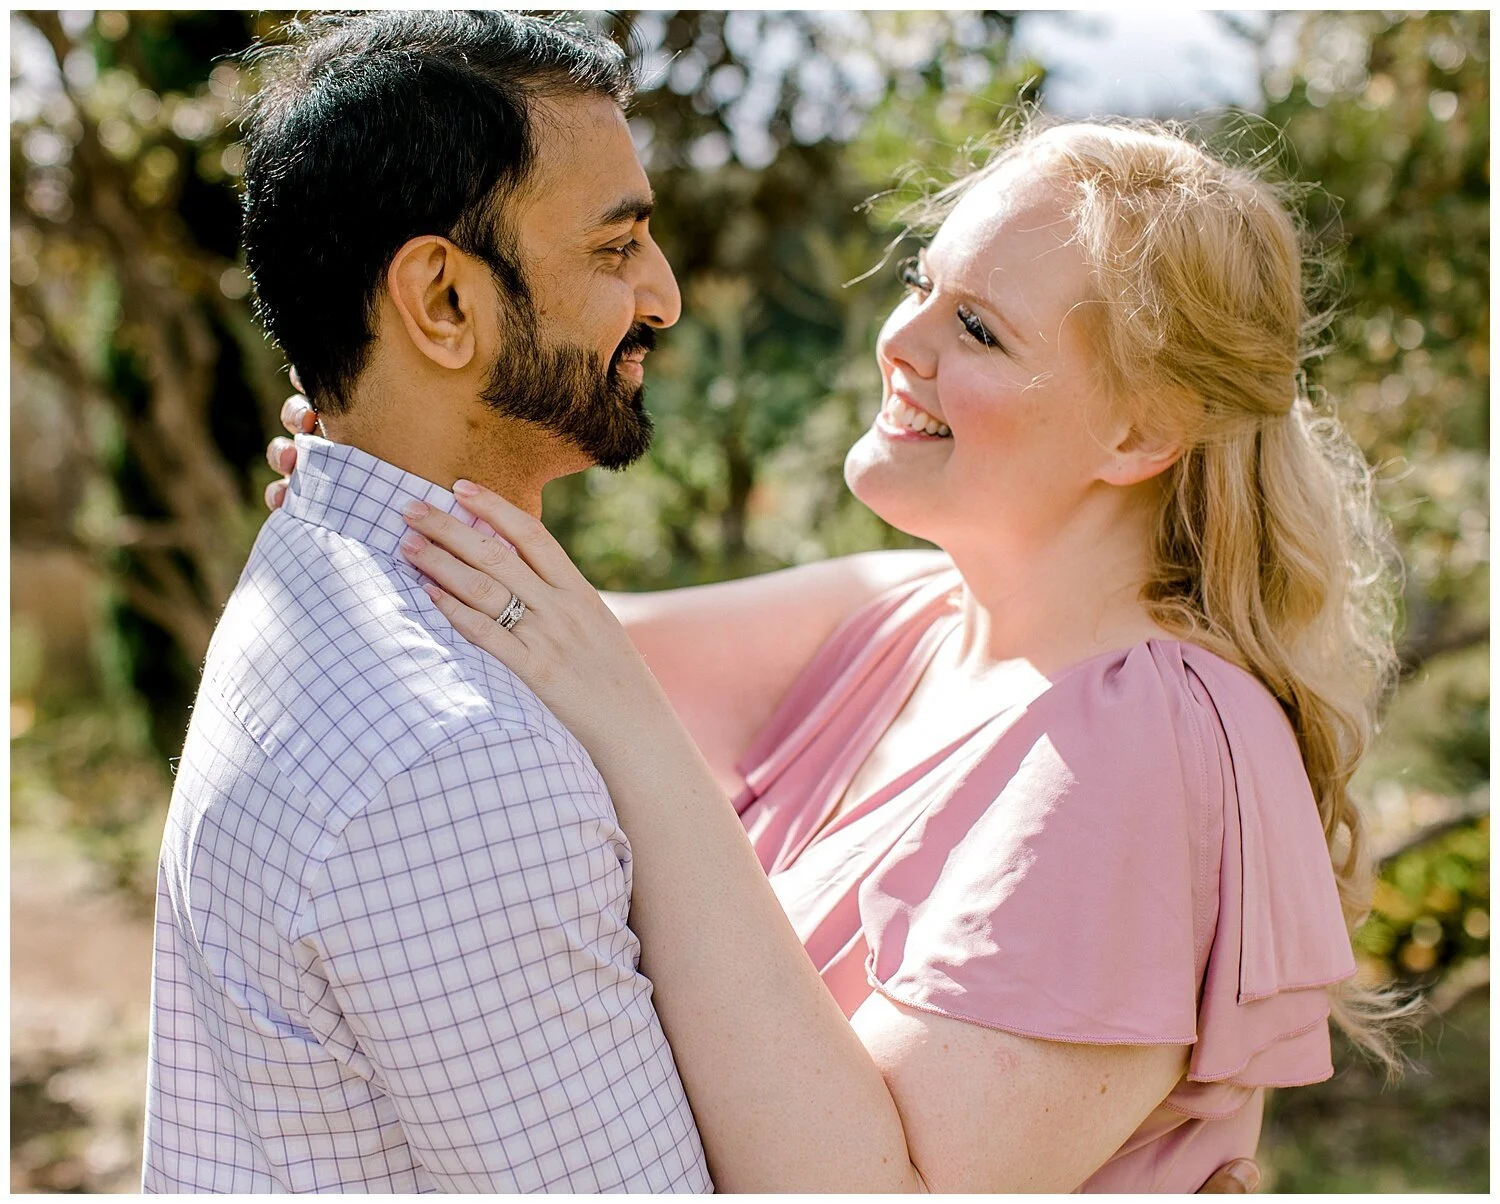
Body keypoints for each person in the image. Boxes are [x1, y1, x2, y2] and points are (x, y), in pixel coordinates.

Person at [270, 118, 1403, 1191]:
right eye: (921, 283)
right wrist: (396, 437)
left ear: (1141, 432)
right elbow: (520, 618)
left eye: (979, 330)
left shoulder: (1145, 743)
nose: (900, 342)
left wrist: (633, 730)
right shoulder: (908, 621)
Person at [142, 12, 712, 1191]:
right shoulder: (455, 759)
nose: (661, 295)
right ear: (443, 303)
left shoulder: (319, 570)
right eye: (616, 248)